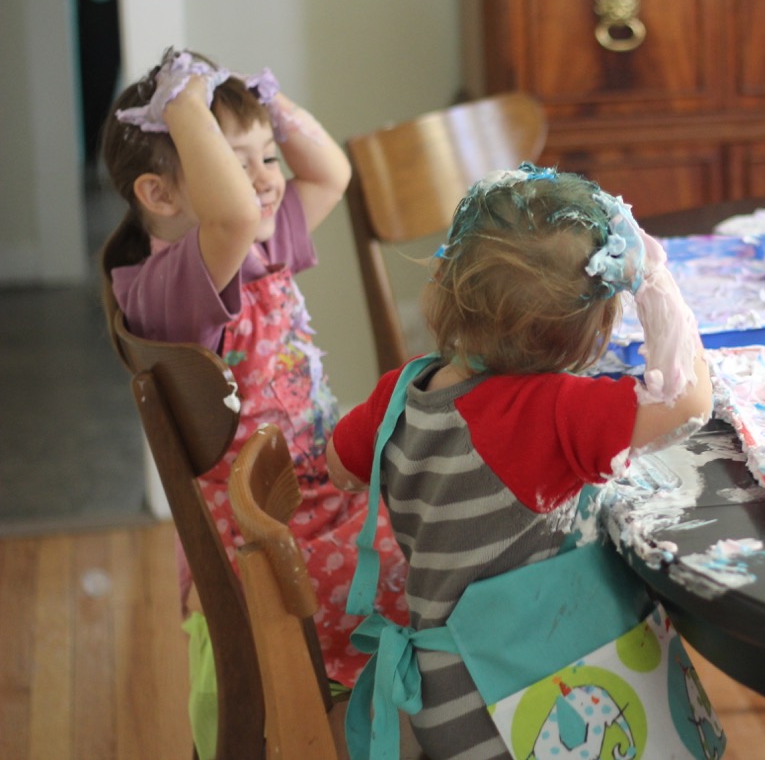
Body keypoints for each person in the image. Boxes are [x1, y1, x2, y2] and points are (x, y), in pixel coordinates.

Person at [326, 164, 714, 759]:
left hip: (437, 696)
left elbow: (340, 467)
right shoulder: (551, 413)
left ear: (443, 281)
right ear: (596, 331)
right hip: (520, 711)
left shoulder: (400, 393)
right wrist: (657, 284)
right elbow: (689, 402)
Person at [98, 49, 410, 718]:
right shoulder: (171, 283)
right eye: (238, 164)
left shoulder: (257, 243)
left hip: (323, 488)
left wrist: (270, 106)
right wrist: (184, 96)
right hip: (268, 534)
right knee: (435, 546)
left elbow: (332, 172)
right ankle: (439, 703)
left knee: (443, 495)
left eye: (268, 158)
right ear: (159, 195)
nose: (266, 183)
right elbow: (234, 215)